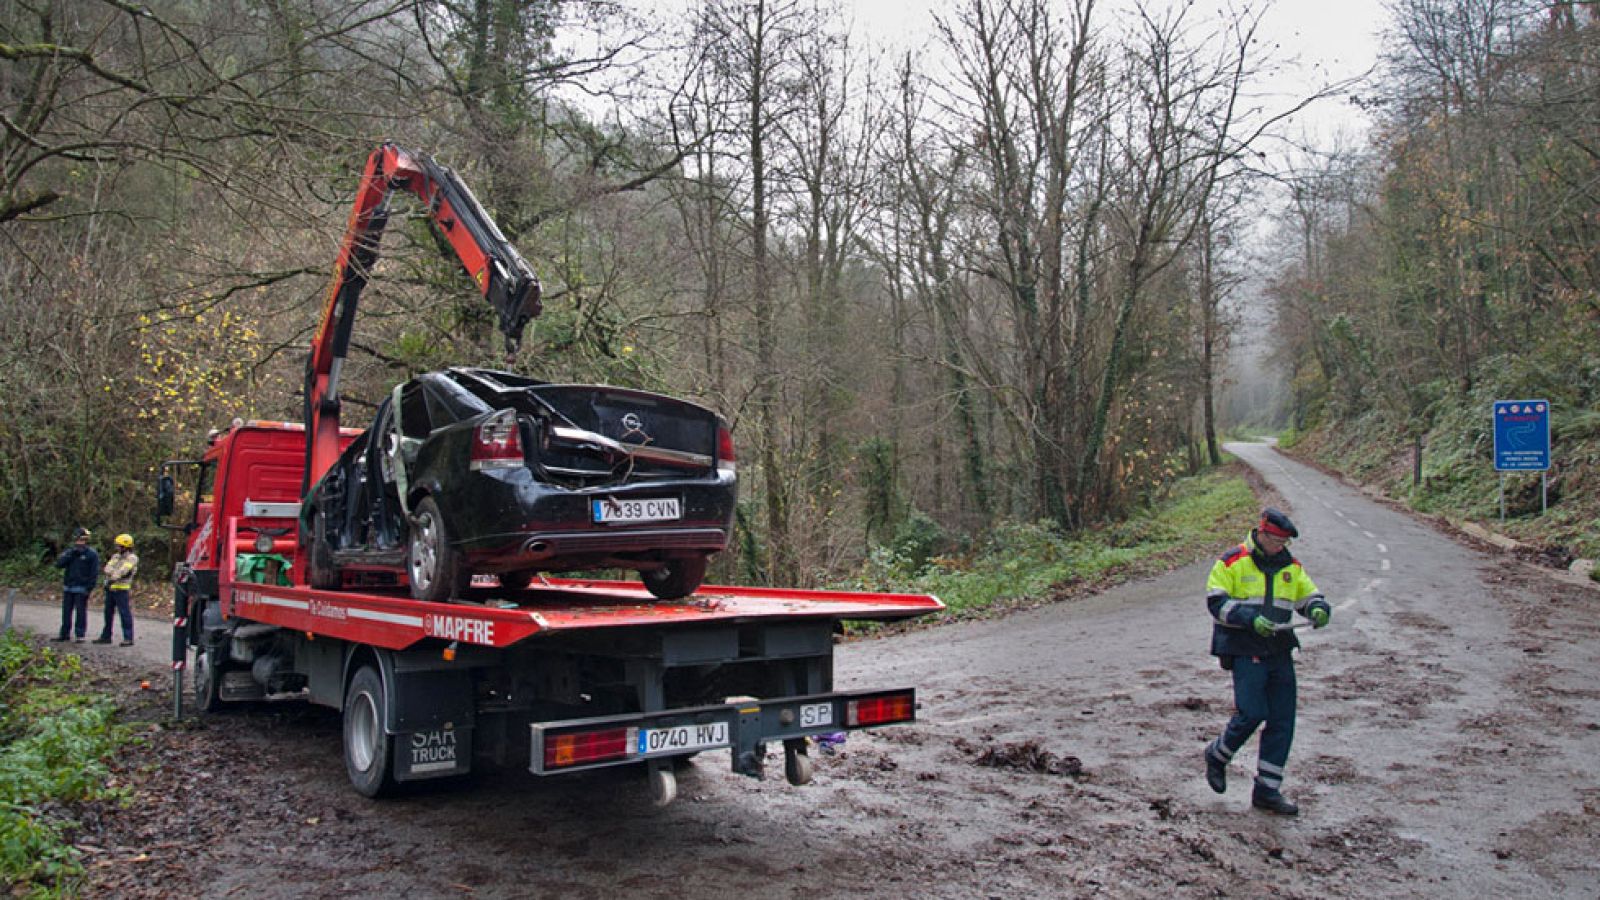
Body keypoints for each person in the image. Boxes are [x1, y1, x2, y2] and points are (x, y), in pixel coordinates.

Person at [1202, 507, 1331, 816]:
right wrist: (1249, 618)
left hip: (1279, 649)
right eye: (1275, 541)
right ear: (1261, 533)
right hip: (1244, 647)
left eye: (1284, 543)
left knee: (1282, 720)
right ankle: (1218, 755)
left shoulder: (1291, 566)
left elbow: (1308, 595)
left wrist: (1318, 609)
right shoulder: (1232, 561)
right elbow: (1216, 602)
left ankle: (1267, 790)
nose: (1279, 547)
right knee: (1252, 712)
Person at [53, 527, 100, 643]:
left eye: (82, 540)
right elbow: (59, 564)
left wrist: (89, 587)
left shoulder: (92, 554)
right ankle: (64, 634)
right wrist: (69, 555)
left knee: (80, 612)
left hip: (82, 587)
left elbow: (94, 573)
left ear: (86, 540)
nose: (79, 542)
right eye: (78, 540)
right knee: (66, 612)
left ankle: (80, 634)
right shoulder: (70, 552)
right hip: (69, 586)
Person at [94, 533, 138, 646]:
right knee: (108, 613)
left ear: (125, 546)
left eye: (119, 546)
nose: (117, 547)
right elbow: (107, 568)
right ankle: (106, 636)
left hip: (122, 589)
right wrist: (114, 574)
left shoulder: (132, 558)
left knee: (124, 613)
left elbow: (124, 571)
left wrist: (113, 576)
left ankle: (128, 638)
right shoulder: (116, 556)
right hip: (111, 588)